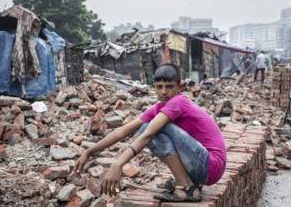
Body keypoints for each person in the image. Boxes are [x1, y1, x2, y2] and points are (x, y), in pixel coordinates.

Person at [74, 63, 227, 202]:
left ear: (180, 87)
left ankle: (187, 187)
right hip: (203, 165)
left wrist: (118, 163)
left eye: (169, 86)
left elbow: (148, 134)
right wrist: (88, 152)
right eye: (159, 87)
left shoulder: (178, 102)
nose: (164, 92)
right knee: (145, 127)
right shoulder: (159, 107)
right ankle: (188, 182)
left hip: (211, 166)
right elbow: (122, 131)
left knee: (150, 129)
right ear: (154, 87)